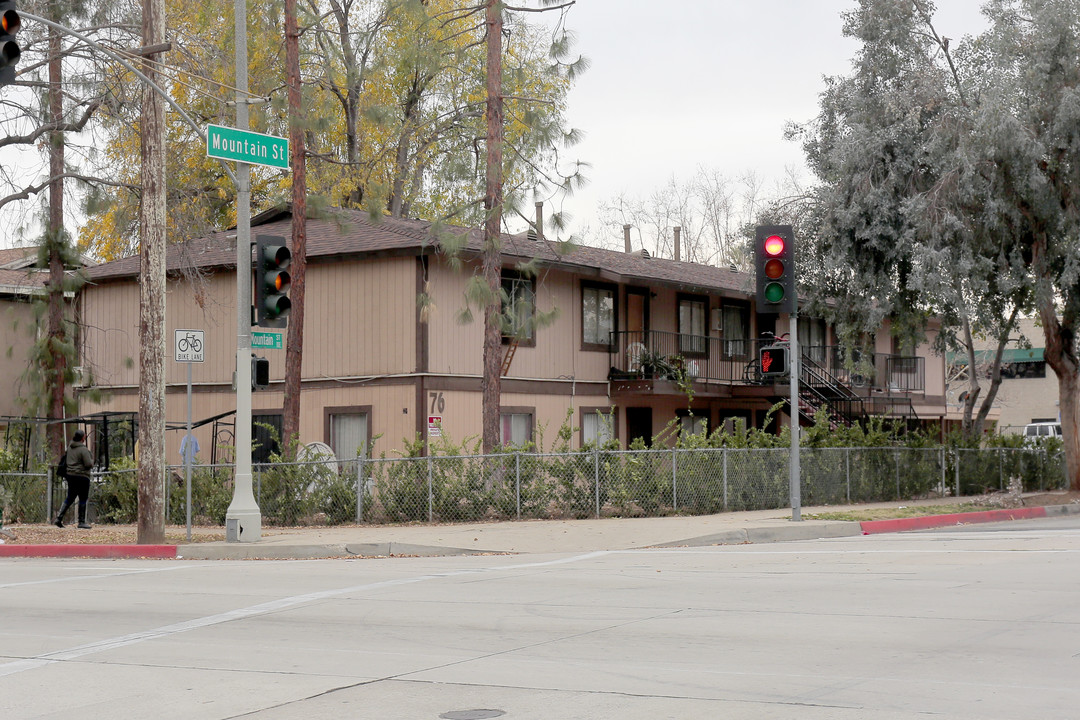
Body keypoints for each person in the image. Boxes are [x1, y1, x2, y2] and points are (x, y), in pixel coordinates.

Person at [54, 429, 94, 529]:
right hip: (82, 476)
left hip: (70, 475)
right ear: (82, 438)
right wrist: (92, 460)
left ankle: (59, 518)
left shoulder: (70, 448)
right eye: (84, 437)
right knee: (83, 497)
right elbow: (88, 464)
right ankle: (81, 521)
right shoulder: (83, 449)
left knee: (70, 497)